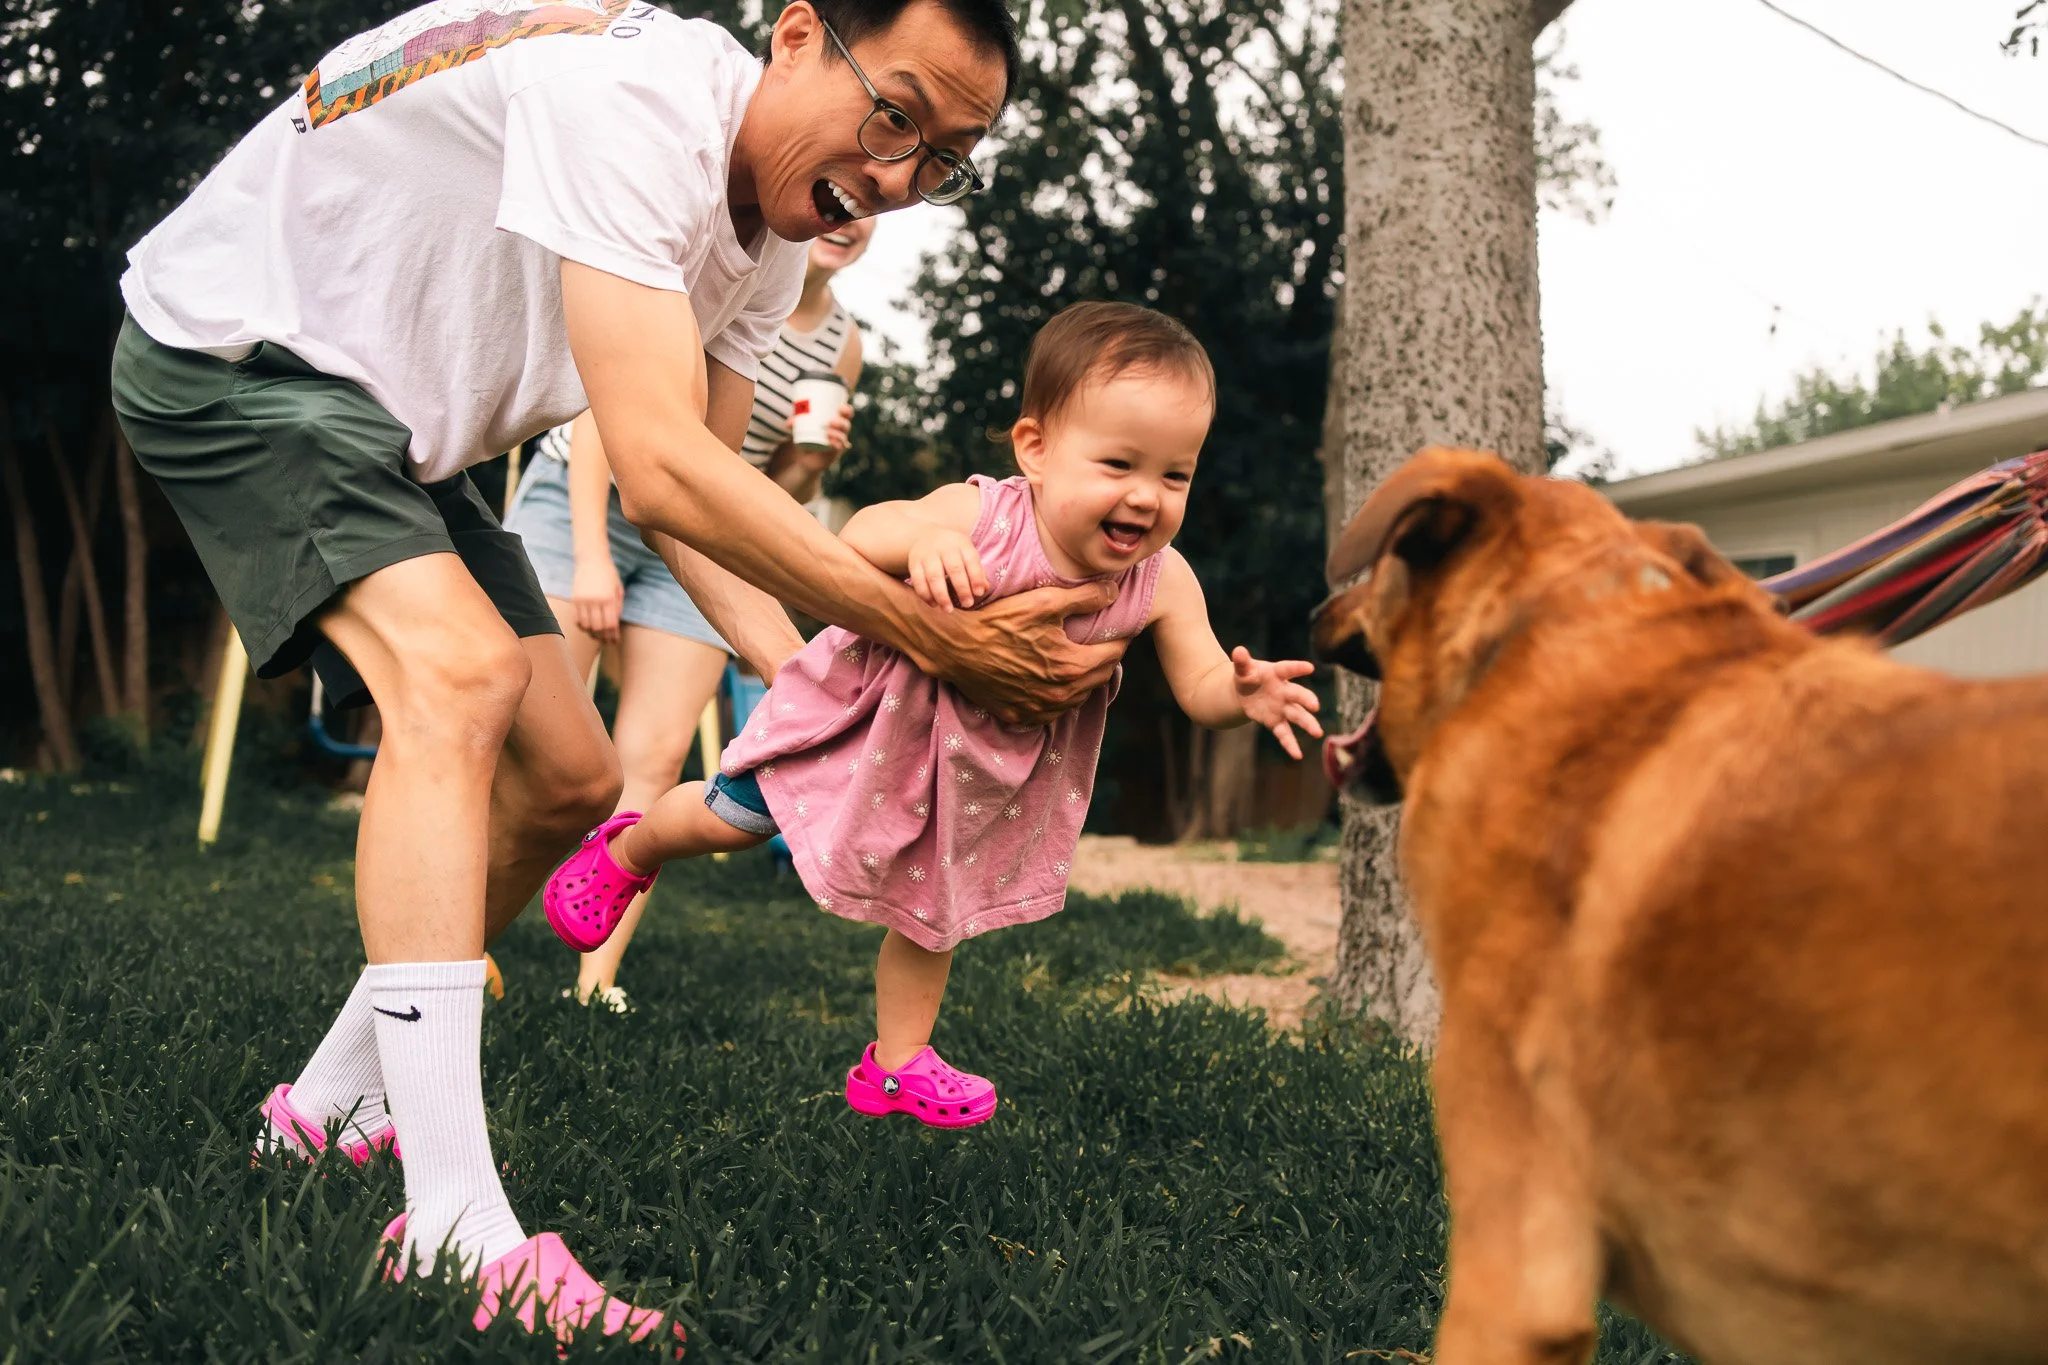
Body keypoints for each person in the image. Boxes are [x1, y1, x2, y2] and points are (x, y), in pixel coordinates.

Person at [109, 0, 1126, 1346]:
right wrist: (929, 637)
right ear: (799, 36)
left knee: (570, 776)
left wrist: (835, 692)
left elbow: (695, 508)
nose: (896, 178)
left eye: (946, 157)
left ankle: (319, 1113)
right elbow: (651, 458)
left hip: (395, 432)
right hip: (236, 362)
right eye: (895, 115)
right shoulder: (638, 105)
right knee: (461, 682)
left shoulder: (768, 238)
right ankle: (457, 1224)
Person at [541, 302, 1323, 1127]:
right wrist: (918, 541)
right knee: (732, 816)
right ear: (1037, 450)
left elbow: (1199, 678)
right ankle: (631, 846)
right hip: (867, 729)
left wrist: (1240, 695)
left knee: (935, 913)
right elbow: (863, 533)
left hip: (973, 780)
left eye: (1175, 476)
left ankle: (897, 1062)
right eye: (1120, 463)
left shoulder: (1163, 579)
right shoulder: (986, 515)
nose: (1146, 497)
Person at [508, 216, 874, 1011]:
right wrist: (594, 557)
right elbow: (607, 408)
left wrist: (810, 463)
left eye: (870, 211)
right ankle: (460, 944)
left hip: (701, 534)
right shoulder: (725, 269)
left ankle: (593, 979)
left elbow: (768, 493)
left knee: (655, 754)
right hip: (585, 502)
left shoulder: (844, 343)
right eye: (839, 203)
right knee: (527, 740)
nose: (851, 218)